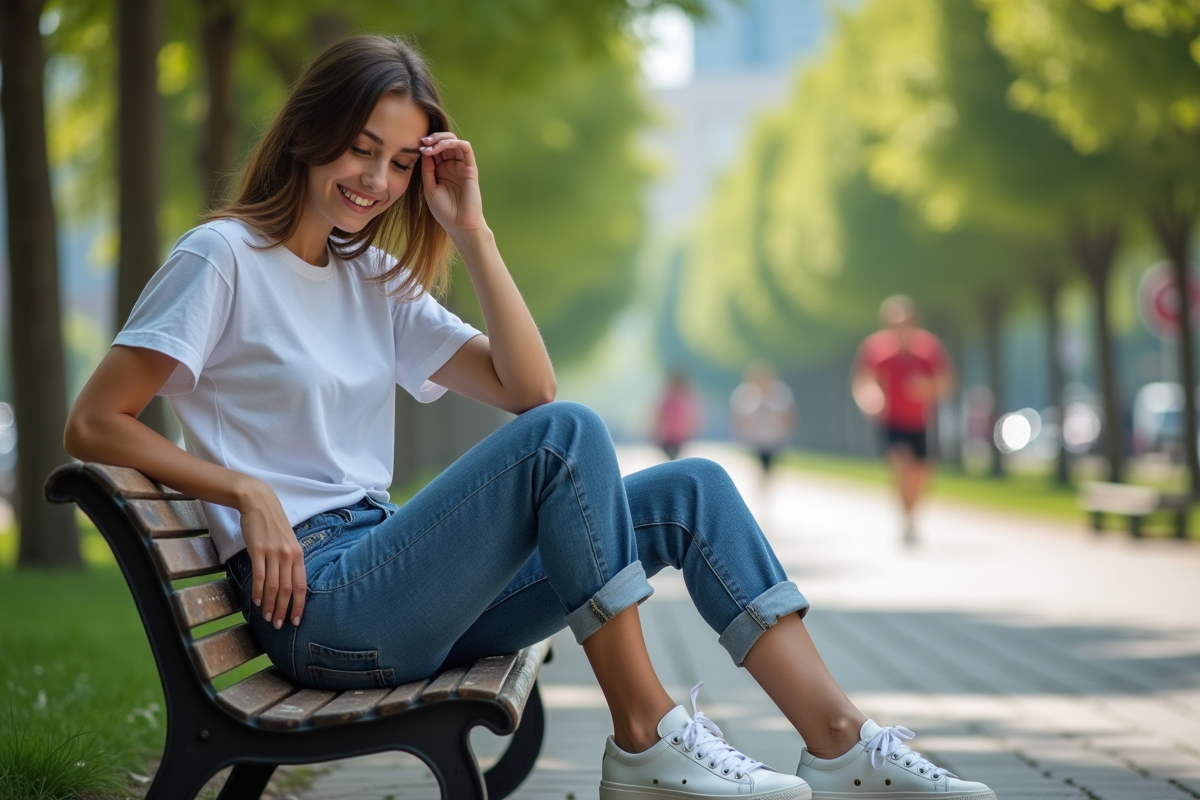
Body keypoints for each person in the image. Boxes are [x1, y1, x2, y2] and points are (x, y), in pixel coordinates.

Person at [63, 37, 994, 800]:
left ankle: (840, 745)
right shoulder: (221, 259)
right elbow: (96, 422)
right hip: (320, 605)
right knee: (569, 440)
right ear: (308, 133)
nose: (376, 181)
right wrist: (240, 489)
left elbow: (527, 385)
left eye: (398, 161)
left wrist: (471, 230)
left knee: (693, 489)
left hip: (388, 575)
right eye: (361, 149)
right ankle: (645, 736)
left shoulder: (373, 280)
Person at [852, 296, 955, 546]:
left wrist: (925, 387)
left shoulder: (929, 347)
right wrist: (871, 398)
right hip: (891, 420)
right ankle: (905, 521)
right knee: (900, 465)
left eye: (905, 322)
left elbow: (946, 383)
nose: (900, 328)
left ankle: (912, 516)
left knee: (920, 475)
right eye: (893, 323)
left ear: (914, 321)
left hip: (920, 422)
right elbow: (864, 382)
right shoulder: (874, 348)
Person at [731, 363, 797, 477]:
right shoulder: (745, 393)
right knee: (757, 466)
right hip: (753, 438)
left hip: (774, 437)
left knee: (769, 466)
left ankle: (765, 481)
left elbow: (788, 414)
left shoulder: (780, 392)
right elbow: (739, 417)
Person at [654, 370, 701, 461]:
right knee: (671, 459)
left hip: (679, 437)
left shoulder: (685, 398)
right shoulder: (667, 398)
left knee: (674, 458)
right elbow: (659, 415)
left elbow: (691, 416)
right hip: (666, 436)